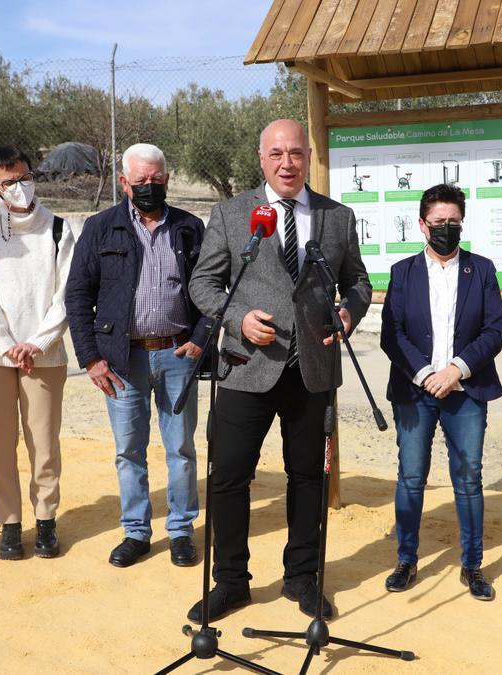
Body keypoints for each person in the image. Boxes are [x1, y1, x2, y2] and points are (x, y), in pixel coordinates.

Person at [187, 119, 371, 622]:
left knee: (308, 476)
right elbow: (203, 285)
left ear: (308, 157)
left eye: (295, 153)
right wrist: (236, 319)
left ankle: (302, 578)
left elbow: (358, 281)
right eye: (276, 154)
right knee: (228, 477)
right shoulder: (230, 213)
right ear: (261, 157)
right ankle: (230, 581)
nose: (286, 163)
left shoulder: (338, 217)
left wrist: (351, 311)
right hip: (246, 367)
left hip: (312, 369)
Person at [64, 143, 206, 569]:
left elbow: (210, 288)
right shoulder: (100, 228)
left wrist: (201, 337)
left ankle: (180, 530)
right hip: (121, 360)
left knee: (180, 448)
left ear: (167, 179)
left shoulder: (189, 227)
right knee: (129, 449)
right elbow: (77, 295)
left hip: (178, 354)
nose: (148, 187)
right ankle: (136, 532)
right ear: (123, 182)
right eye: (140, 181)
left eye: (156, 180)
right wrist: (91, 358)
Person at [379, 184, 502, 601]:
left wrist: (455, 370)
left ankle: (472, 565)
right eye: (438, 223)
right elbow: (391, 335)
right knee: (412, 477)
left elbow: (494, 331)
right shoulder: (403, 273)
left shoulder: (482, 270)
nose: (446, 229)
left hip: (466, 390)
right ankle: (406, 560)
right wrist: (423, 373)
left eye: (453, 222)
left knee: (468, 479)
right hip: (415, 392)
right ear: (422, 225)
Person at [0, 146, 74, 561]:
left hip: (43, 355)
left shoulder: (60, 230)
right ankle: (9, 523)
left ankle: (45, 520)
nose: (19, 187)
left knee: (43, 443)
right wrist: (7, 344)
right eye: (9, 182)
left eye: (24, 177)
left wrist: (38, 342)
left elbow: (67, 295)